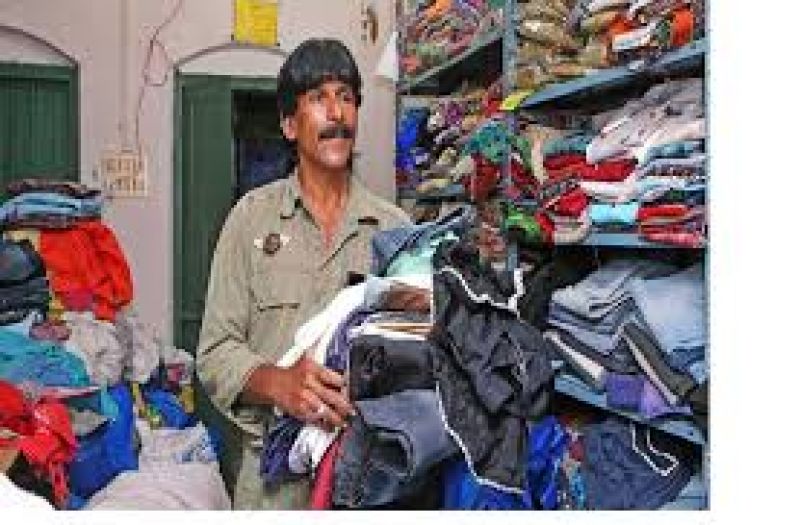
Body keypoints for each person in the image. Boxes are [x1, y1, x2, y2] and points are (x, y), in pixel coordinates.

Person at [196, 38, 410, 509]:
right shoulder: (250, 220)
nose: (336, 112)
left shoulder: (395, 231)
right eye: (318, 98)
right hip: (271, 489)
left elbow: (416, 355)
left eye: (346, 97)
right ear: (290, 124)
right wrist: (280, 383)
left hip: (370, 480)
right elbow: (214, 352)